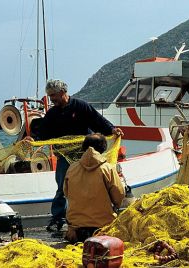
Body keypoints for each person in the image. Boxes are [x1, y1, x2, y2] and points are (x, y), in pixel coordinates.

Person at [30, 79, 123, 232]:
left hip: (86, 155)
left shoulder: (80, 106)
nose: (51, 99)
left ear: (62, 93)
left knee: (92, 184)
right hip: (64, 155)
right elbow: (43, 132)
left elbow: (97, 120)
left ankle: (93, 215)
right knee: (62, 187)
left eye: (53, 95)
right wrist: (33, 140)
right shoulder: (52, 113)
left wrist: (112, 129)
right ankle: (58, 218)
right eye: (49, 96)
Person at [64, 133, 125, 243]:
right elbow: (119, 195)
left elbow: (66, 193)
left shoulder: (72, 168)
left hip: (76, 230)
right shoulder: (107, 168)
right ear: (103, 148)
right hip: (102, 229)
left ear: (83, 147)